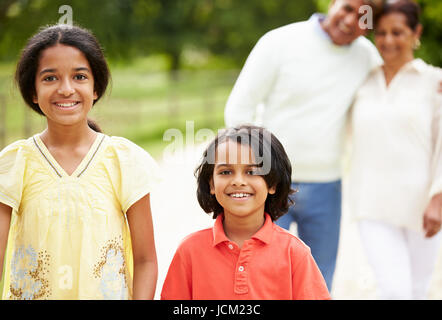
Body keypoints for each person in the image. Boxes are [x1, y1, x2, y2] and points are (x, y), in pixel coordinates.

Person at [224, 0, 384, 291]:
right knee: (262, 277)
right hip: (269, 182)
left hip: (327, 185)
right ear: (333, 3)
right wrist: (254, 171)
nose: (351, 21)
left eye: (364, 18)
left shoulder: (366, 57)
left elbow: (394, 88)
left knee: (319, 281)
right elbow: (239, 108)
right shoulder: (280, 41)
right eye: (348, 8)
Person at [0, 24, 161, 300]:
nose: (66, 89)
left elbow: (145, 261)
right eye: (50, 78)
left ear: (96, 88)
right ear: (33, 92)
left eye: (79, 76)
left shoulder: (123, 161)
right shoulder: (14, 164)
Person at [161, 125, 330, 300]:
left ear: (272, 183)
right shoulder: (189, 251)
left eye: (252, 172)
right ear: (211, 184)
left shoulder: (295, 253)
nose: (238, 181)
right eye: (226, 172)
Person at [347, 0, 442, 299]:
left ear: (416, 33)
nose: (388, 40)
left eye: (398, 32)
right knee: (395, 291)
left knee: (417, 289)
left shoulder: (434, 82)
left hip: (423, 207)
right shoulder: (361, 81)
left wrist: (438, 199)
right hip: (372, 205)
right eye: (382, 33)